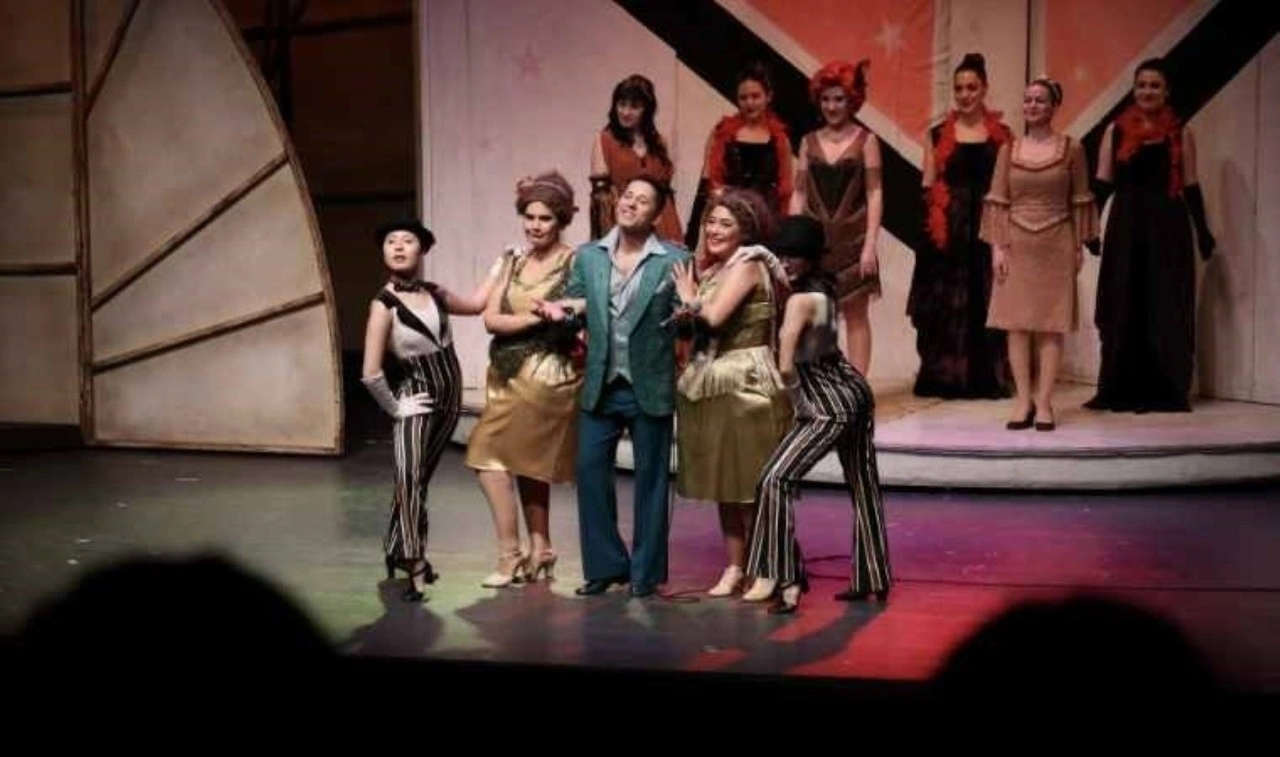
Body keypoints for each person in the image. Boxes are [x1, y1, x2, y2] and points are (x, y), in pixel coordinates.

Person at [534, 176, 690, 598]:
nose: (630, 204)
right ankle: (605, 567)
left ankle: (645, 574)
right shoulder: (589, 256)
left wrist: (689, 309)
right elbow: (577, 307)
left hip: (649, 383)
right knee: (589, 473)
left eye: (643, 201)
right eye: (627, 196)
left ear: (657, 214)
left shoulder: (674, 259)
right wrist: (561, 314)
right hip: (601, 382)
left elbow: (688, 321)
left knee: (651, 481)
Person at [738, 215, 892, 613]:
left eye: (795, 256)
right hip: (853, 390)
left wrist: (798, 403)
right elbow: (783, 275)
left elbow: (786, 364)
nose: (786, 262)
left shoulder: (799, 302)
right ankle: (873, 577)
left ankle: (787, 580)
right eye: (783, 255)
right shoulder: (824, 291)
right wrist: (765, 257)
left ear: (811, 259)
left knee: (773, 479)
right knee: (863, 486)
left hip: (826, 404)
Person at [360, 218, 498, 601]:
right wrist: (396, 408)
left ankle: (397, 550)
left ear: (421, 250)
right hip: (416, 402)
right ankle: (415, 562)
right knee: (408, 481)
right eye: (391, 241)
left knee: (418, 482)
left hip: (449, 402)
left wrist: (501, 267)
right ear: (383, 252)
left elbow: (476, 305)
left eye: (407, 240)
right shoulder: (383, 304)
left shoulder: (435, 293)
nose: (398, 246)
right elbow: (370, 373)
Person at [670, 188, 792, 597]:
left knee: (750, 485)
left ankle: (766, 567)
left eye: (726, 223)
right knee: (725, 482)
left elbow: (716, 317)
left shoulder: (748, 263)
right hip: (716, 378)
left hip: (745, 381)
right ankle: (736, 566)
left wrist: (689, 298)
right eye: (711, 222)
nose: (714, 230)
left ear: (745, 231)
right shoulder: (717, 269)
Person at [465, 172, 584, 587]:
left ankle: (509, 555)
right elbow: (491, 319)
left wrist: (555, 314)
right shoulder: (514, 260)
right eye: (529, 217)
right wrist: (537, 316)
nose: (535, 225)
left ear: (561, 220)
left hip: (546, 371)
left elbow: (582, 308)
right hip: (506, 370)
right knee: (527, 462)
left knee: (485, 457)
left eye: (545, 218)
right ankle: (541, 548)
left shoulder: (574, 261)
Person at [1086, 57, 1216, 413]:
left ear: (1166, 91)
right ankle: (1118, 388)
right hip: (1126, 224)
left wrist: (1203, 231)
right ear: (1134, 89)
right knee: (1123, 301)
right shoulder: (1115, 131)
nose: (1147, 91)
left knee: (1163, 304)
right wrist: (1090, 227)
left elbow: (1191, 184)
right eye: (1141, 85)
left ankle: (1162, 390)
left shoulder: (1180, 132)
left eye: (1155, 85)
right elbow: (1102, 183)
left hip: (1167, 226)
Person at [979, 77, 1098, 431]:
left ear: (1054, 106)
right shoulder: (1008, 150)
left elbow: (1080, 199)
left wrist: (1077, 247)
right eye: (1028, 99)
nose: (1032, 106)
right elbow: (998, 201)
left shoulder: (1072, 149)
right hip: (1016, 242)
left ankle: (1045, 402)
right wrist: (997, 248)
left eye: (1040, 100)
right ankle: (1023, 400)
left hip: (1056, 241)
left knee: (1050, 325)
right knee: (1016, 326)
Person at [909, 52, 1013, 399]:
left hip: (986, 224)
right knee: (944, 302)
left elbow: (1005, 189)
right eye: (959, 88)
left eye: (972, 87)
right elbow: (928, 185)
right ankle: (943, 375)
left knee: (985, 297)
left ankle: (985, 377)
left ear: (984, 89)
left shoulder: (1001, 136)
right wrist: (929, 232)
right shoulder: (938, 134)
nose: (965, 94)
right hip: (947, 226)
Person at [790, 59, 883, 375]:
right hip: (815, 241)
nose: (832, 106)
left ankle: (858, 388)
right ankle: (822, 387)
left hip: (853, 239)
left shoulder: (867, 141)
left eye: (839, 99)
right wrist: (793, 243)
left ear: (852, 100)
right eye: (826, 99)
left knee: (856, 316)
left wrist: (870, 245)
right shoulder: (808, 141)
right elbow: (799, 192)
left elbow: (874, 193)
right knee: (816, 314)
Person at [685, 61, 793, 251]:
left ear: (768, 97)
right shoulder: (721, 132)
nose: (749, 103)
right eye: (743, 97)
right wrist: (691, 237)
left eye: (755, 96)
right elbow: (706, 182)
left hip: (764, 224)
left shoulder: (780, 139)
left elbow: (785, 191)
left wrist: (784, 236)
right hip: (728, 221)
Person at [589, 74, 683, 243]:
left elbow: (666, 193)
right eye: (621, 104)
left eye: (634, 106)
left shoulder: (660, 142)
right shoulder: (604, 140)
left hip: (665, 223)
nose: (625, 112)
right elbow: (601, 200)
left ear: (647, 110)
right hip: (626, 223)